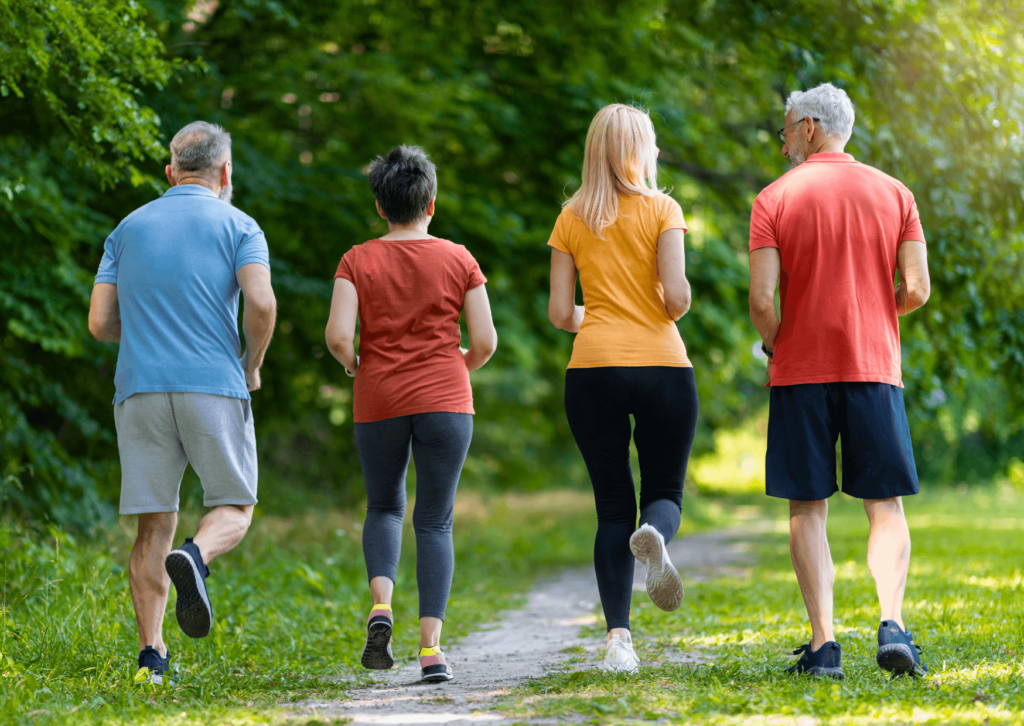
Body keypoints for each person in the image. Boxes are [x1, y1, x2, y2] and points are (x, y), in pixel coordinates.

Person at [749, 83, 931, 679]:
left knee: (808, 504)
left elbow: (760, 299)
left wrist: (777, 339)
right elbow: (918, 289)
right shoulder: (896, 193)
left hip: (800, 369)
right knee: (885, 503)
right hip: (874, 366)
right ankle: (893, 624)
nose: (781, 143)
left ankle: (824, 645)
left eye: (784, 130)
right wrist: (876, 312)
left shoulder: (773, 198)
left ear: (807, 127)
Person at [88, 121, 277, 685]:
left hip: (140, 388)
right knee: (235, 506)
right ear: (225, 173)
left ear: (169, 172)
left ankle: (152, 658)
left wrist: (147, 334)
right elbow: (262, 304)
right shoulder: (239, 224)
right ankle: (196, 558)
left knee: (153, 526)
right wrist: (252, 364)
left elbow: (100, 323)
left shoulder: (128, 227)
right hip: (213, 384)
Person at [325, 145, 497, 683]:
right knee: (435, 520)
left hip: (378, 398)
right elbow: (486, 341)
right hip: (446, 398)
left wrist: (357, 365)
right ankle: (431, 652)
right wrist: (458, 366)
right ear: (432, 203)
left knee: (383, 507)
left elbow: (336, 337)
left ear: (380, 206)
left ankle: (381, 605)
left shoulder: (357, 259)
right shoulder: (459, 258)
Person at [547, 104, 699, 674]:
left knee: (612, 507)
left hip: (592, 371)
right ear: (640, 149)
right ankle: (656, 534)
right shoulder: (664, 208)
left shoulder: (570, 217)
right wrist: (647, 307)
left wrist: (605, 315)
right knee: (665, 491)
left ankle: (618, 643)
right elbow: (678, 300)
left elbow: (561, 313)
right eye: (653, 143)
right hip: (663, 365)